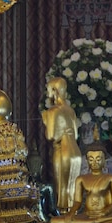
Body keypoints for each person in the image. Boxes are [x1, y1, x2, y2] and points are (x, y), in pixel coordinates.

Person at [51, 126, 112, 223]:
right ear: (87, 162)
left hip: (105, 216)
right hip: (87, 216)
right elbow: (77, 202)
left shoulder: (111, 178)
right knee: (55, 221)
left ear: (104, 161)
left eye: (98, 159)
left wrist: (105, 212)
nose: (94, 162)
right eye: (91, 159)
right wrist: (70, 214)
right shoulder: (81, 179)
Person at [41, 77, 82, 213]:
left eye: (48, 90)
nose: (48, 94)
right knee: (72, 186)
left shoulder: (52, 111)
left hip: (62, 150)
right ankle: (73, 214)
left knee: (62, 187)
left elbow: (51, 136)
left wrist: (46, 120)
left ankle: (65, 217)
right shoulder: (70, 110)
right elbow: (76, 135)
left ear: (54, 90)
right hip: (75, 152)